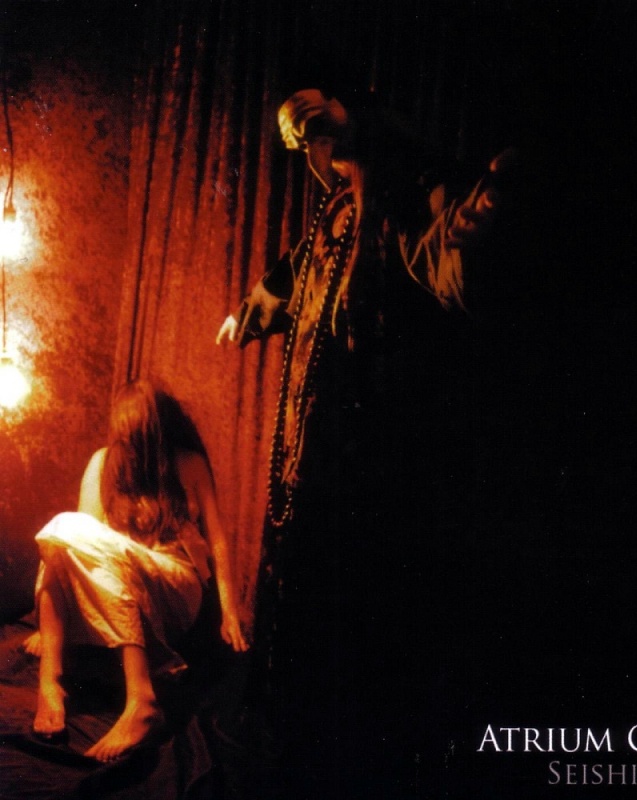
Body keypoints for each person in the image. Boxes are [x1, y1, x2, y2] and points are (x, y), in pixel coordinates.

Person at [215, 88, 510, 791]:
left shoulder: (404, 205)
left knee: (354, 622)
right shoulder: (339, 215)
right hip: (310, 453)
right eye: (303, 139)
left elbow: (449, 263)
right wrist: (252, 312)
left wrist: (485, 213)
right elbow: (295, 274)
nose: (312, 147)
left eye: (318, 123)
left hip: (369, 468)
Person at [29, 379, 248, 763]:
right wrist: (49, 629)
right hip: (119, 593)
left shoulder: (188, 464)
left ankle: (141, 699)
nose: (131, 443)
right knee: (60, 541)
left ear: (155, 428)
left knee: (64, 529)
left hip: (175, 585)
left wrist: (229, 610)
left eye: (139, 433)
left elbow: (217, 539)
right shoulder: (103, 462)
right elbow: (82, 548)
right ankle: (51, 681)